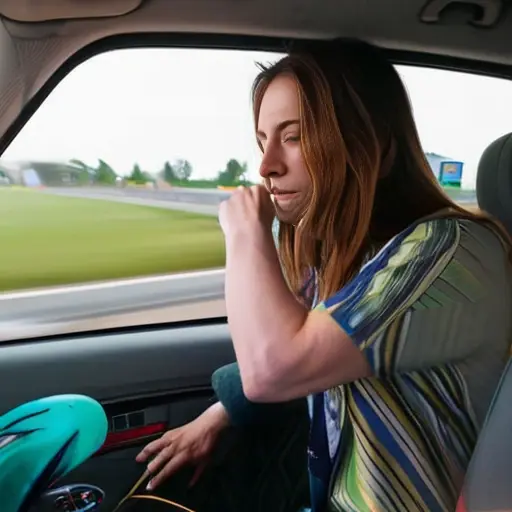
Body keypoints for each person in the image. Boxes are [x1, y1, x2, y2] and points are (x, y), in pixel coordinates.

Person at [136, 39, 512, 512]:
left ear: (374, 144)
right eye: (263, 141)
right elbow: (313, 351)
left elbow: (274, 370)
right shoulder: (355, 254)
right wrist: (222, 412)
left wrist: (246, 231)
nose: (266, 165)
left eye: (294, 137)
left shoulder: (447, 250)